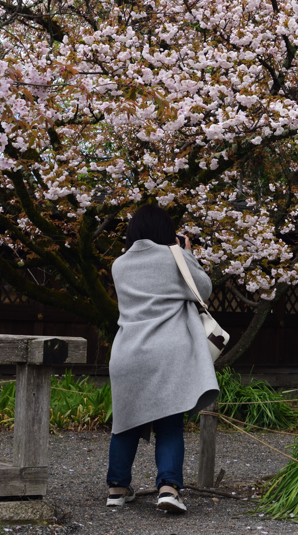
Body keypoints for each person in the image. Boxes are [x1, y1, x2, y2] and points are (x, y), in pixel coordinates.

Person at [105, 203, 219, 514]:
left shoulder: (119, 265)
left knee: (125, 422)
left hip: (127, 353)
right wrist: (186, 252)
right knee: (169, 423)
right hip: (168, 353)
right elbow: (203, 290)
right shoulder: (175, 257)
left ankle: (116, 488)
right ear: (166, 232)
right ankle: (168, 488)